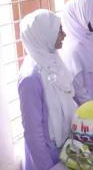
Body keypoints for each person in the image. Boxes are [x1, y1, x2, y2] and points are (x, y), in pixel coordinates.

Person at [18, 10, 77, 170]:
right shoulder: (30, 78)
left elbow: (68, 97)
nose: (64, 35)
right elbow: (33, 133)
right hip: (47, 157)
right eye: (58, 31)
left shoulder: (53, 59)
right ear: (43, 35)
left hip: (66, 146)